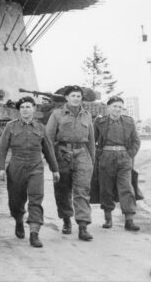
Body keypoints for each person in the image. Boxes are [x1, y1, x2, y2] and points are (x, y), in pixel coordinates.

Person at [0, 96, 60, 248]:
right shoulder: (11, 127)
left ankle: (34, 233)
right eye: (22, 107)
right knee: (16, 201)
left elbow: (49, 150)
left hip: (35, 166)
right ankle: (18, 219)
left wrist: (55, 169)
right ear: (19, 110)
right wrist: (0, 168)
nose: (25, 109)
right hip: (16, 166)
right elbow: (2, 149)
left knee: (36, 199)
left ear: (34, 109)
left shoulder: (40, 128)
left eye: (28, 106)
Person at [46, 85, 95, 241]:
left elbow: (92, 141)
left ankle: (83, 226)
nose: (76, 98)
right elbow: (48, 139)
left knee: (82, 191)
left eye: (78, 96)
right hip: (62, 155)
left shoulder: (87, 115)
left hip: (82, 154)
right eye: (73, 95)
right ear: (67, 98)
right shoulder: (57, 114)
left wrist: (91, 161)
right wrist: (52, 163)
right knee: (63, 190)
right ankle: (66, 220)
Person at [94, 96, 141, 231]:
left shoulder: (129, 122)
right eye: (115, 106)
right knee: (106, 188)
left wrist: (129, 155)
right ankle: (108, 219)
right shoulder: (100, 122)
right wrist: (100, 155)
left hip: (124, 158)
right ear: (109, 107)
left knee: (127, 187)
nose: (117, 109)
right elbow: (92, 140)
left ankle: (129, 220)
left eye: (120, 107)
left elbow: (136, 141)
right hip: (106, 158)